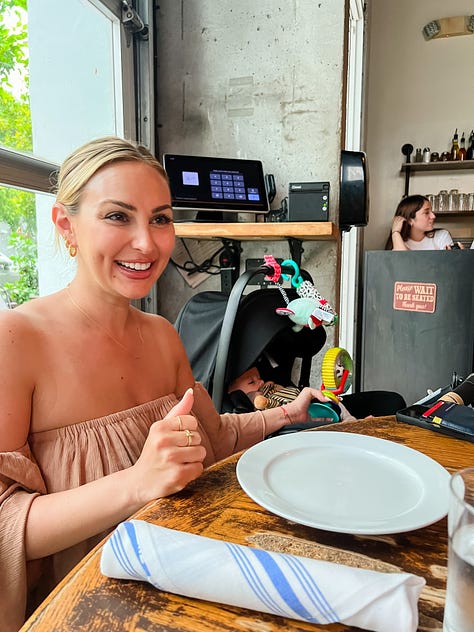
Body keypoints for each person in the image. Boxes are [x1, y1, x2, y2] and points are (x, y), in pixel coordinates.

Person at [0, 136, 331, 631]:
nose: (147, 243)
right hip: (81, 612)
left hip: (181, 591)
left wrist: (289, 413)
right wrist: (137, 482)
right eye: (117, 216)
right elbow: (6, 528)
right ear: (65, 224)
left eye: (160, 218)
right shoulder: (16, 340)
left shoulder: (162, 336)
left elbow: (213, 439)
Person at [228, 366, 356, 421]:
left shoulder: (270, 387)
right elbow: (258, 402)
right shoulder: (251, 405)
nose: (260, 381)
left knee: (330, 398)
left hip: (307, 402)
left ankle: (351, 422)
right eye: (252, 382)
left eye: (259, 377)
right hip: (292, 417)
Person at [385, 194, 461, 251]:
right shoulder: (399, 241)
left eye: (431, 211)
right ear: (410, 220)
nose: (433, 216)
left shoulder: (441, 236)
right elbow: (402, 262)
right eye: (426, 212)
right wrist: (395, 232)